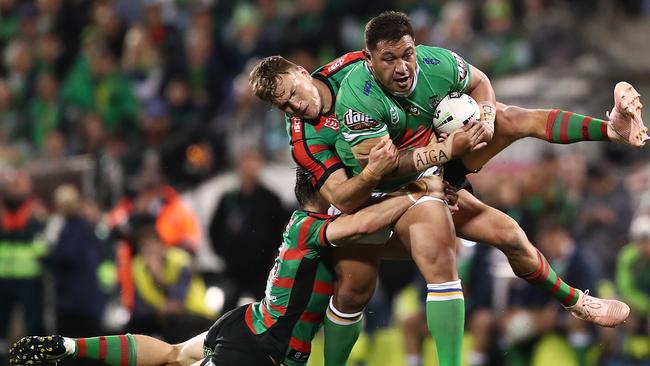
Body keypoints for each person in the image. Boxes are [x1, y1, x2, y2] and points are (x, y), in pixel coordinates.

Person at [248, 10, 639, 366]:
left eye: (294, 94)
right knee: (355, 290)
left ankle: (610, 133)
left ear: (302, 72)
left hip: (424, 166)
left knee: (509, 199)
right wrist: (426, 162)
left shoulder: (398, 63)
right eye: (285, 106)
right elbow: (350, 193)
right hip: (370, 197)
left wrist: (481, 119)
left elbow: (481, 82)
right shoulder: (333, 116)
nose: (296, 106)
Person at [9, 167, 456, 366]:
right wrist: (417, 196)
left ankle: (68, 346)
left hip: (250, 327)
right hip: (260, 349)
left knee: (171, 355)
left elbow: (384, 237)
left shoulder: (316, 226)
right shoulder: (311, 224)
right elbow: (371, 219)